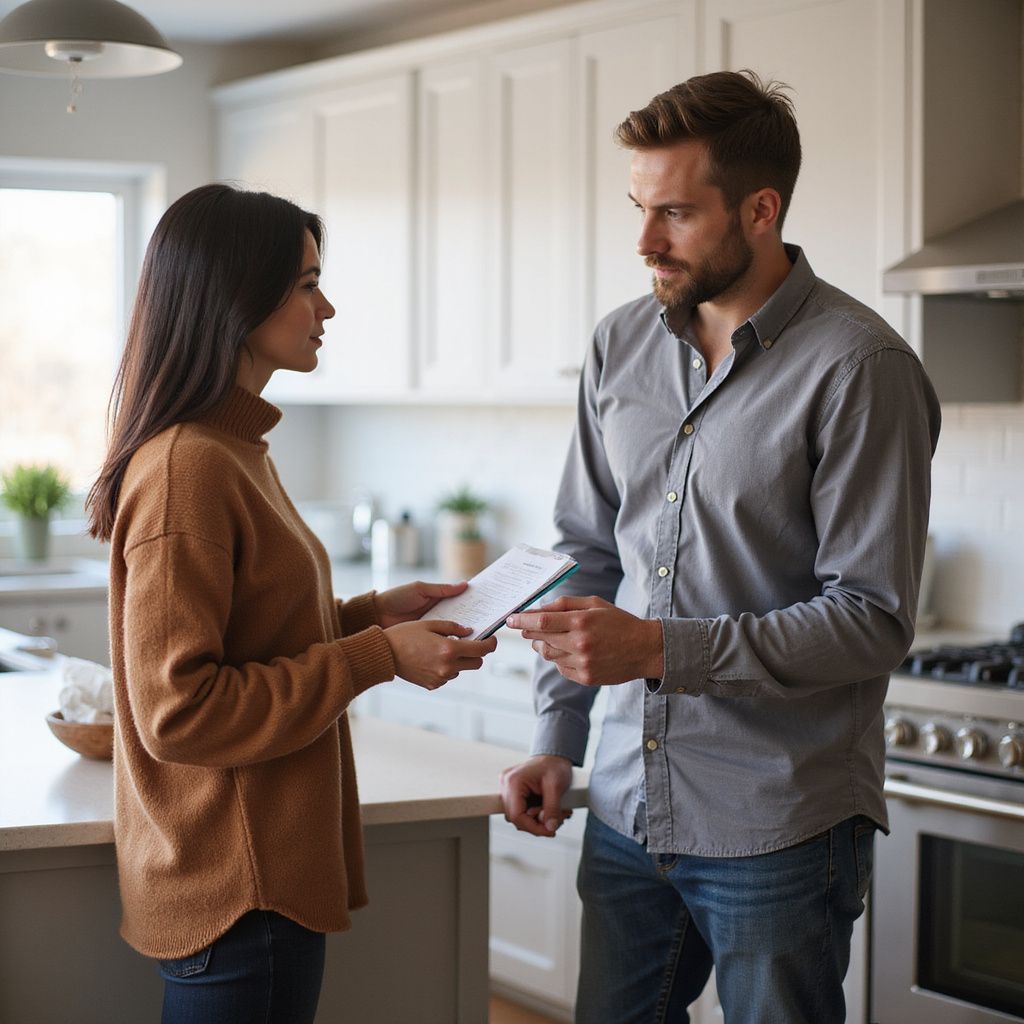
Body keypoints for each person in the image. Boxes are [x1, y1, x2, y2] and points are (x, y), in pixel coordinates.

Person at [499, 70, 941, 1024]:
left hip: (776, 824)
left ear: (760, 209)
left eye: (675, 214)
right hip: (624, 804)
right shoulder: (620, 345)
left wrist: (659, 650)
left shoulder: (861, 370)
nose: (645, 241)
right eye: (638, 209)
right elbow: (587, 548)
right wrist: (557, 736)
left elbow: (871, 620)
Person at [86, 182, 497, 1024]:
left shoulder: (233, 450)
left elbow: (250, 635)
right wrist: (379, 657)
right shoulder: (188, 469)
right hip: (239, 896)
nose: (328, 306)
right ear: (237, 295)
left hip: (251, 888)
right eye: (308, 283)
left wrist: (372, 614)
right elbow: (182, 711)